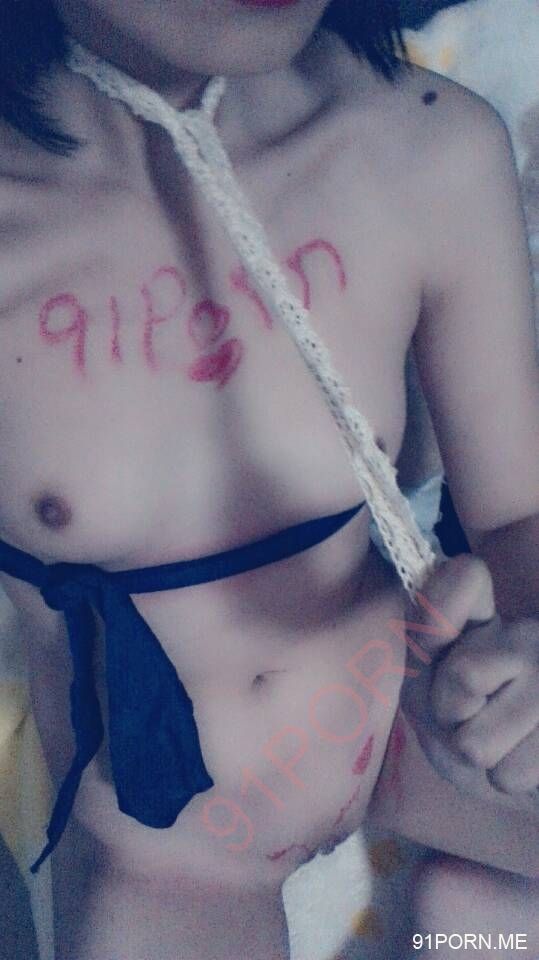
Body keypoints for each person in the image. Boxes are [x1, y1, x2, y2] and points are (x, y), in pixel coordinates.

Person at [0, 2, 537, 958]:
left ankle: (472, 934)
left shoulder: (422, 145)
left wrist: (524, 669)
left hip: (409, 712)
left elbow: (519, 512)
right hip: (169, 840)